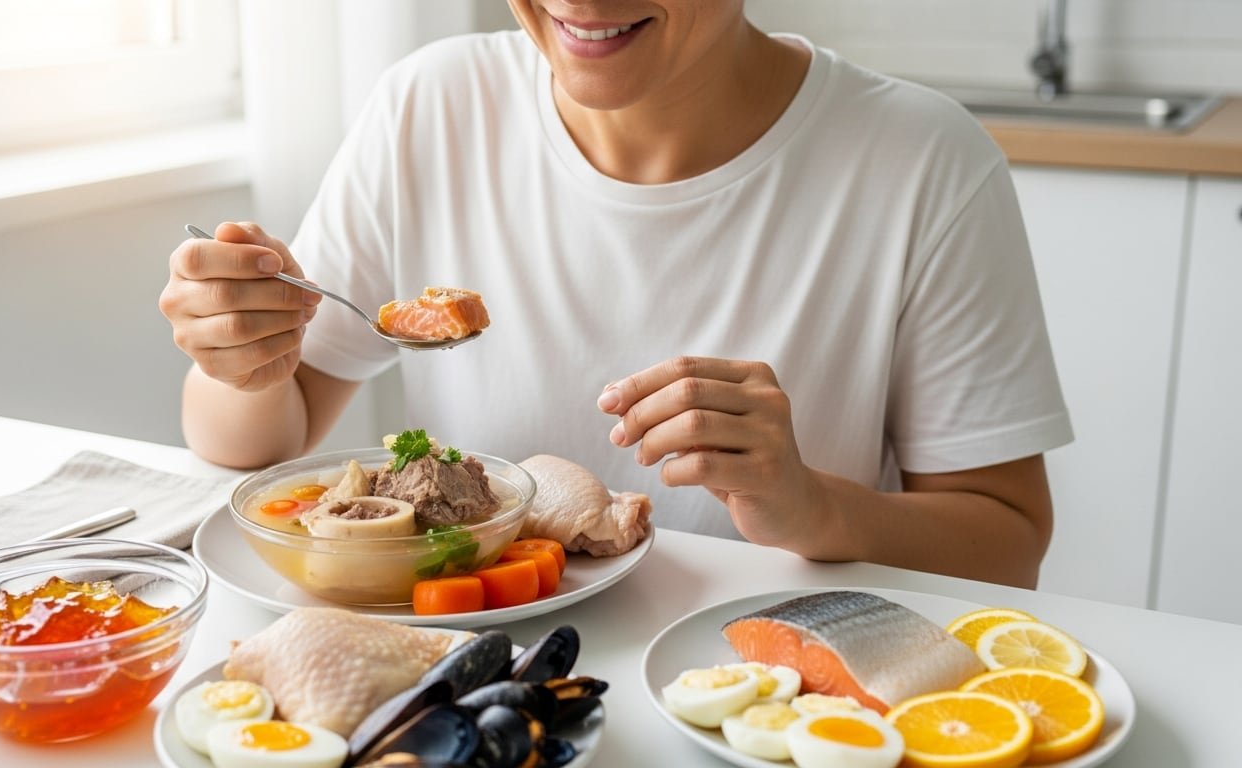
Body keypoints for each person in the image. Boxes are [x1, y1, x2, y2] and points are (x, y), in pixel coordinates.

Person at [158, 1, 1073, 589]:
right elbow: (257, 440)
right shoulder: (431, 106)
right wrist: (241, 357)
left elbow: (1009, 540)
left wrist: (813, 506)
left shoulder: (922, 161)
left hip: (764, 701)